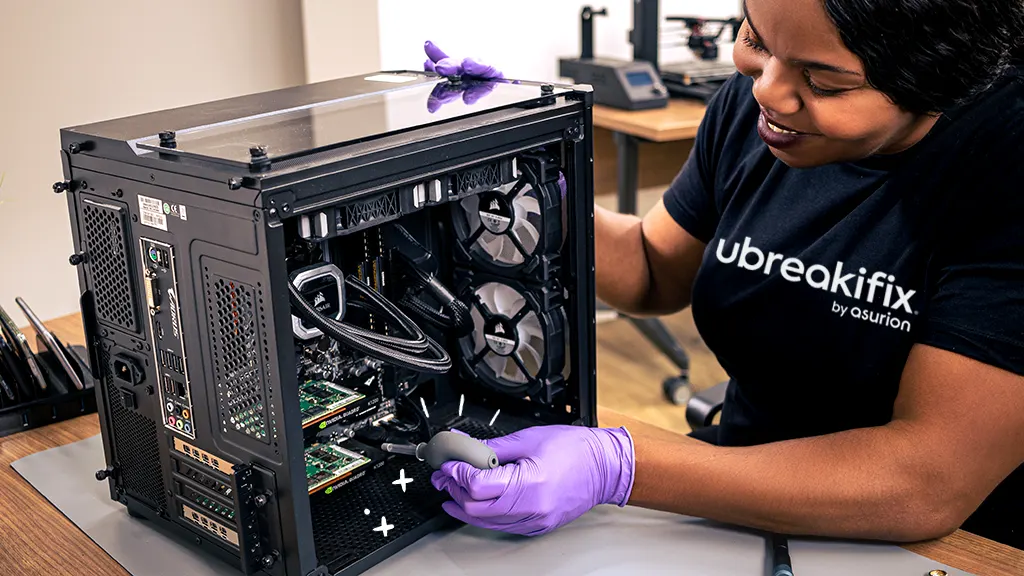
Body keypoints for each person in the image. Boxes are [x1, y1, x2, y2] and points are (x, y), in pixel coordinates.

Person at [425, 0, 1024, 551]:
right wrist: (526, 172)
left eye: (823, 81)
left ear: (940, 82)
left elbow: (927, 480)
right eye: (755, 40)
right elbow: (651, 271)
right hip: (737, 485)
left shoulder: (1003, 159)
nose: (769, 91)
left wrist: (621, 466)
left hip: (945, 541)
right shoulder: (759, 108)